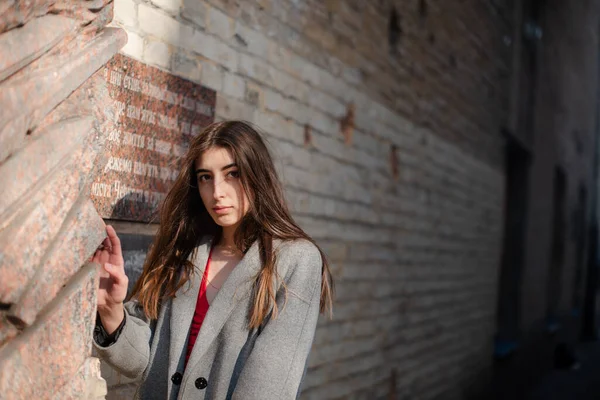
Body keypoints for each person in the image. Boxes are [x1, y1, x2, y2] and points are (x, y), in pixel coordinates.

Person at [91, 120, 334, 399]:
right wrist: (112, 310)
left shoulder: (296, 260)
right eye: (206, 177)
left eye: (232, 174)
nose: (217, 191)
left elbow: (269, 387)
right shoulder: (184, 253)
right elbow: (142, 363)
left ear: (258, 175)